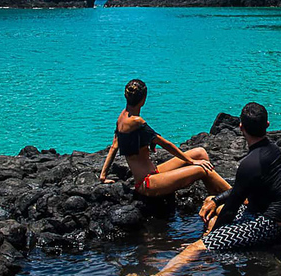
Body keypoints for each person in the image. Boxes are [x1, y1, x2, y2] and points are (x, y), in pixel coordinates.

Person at [129, 102, 281, 276]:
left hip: (265, 224)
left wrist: (210, 240)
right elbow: (238, 192)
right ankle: (200, 261)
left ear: (241, 127)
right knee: (213, 208)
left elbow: (231, 209)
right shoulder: (274, 150)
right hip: (260, 213)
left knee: (196, 247)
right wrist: (216, 200)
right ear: (267, 125)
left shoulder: (249, 164)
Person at [99, 79, 231, 197]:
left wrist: (103, 176)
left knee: (200, 152)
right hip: (147, 183)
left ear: (125, 96)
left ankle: (214, 197)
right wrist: (191, 161)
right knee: (202, 169)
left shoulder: (121, 118)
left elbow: (114, 147)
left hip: (154, 173)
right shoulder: (137, 121)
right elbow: (165, 144)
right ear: (144, 99)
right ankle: (239, 198)